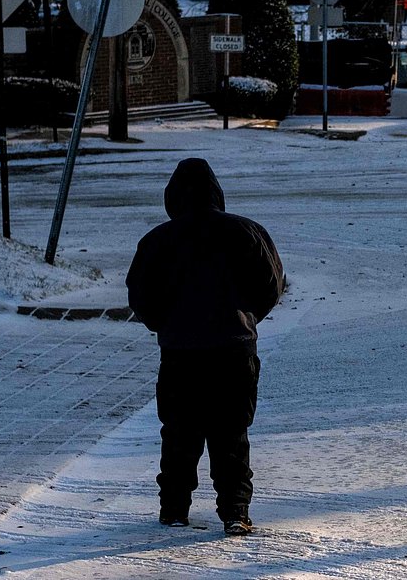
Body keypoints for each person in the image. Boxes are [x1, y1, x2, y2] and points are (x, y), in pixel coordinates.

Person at [127, 158, 285, 536]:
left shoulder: (157, 240)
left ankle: (174, 509)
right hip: (235, 349)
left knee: (179, 433)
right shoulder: (247, 232)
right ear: (216, 194)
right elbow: (272, 285)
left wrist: (166, 324)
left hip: (180, 353)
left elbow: (140, 296)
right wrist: (245, 318)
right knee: (232, 433)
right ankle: (235, 510)